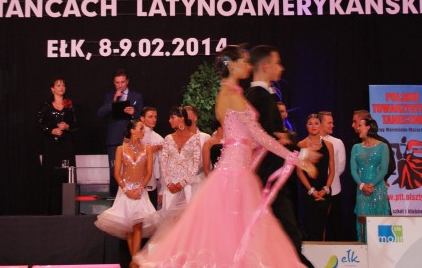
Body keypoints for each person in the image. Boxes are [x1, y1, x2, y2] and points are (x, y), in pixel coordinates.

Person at [133, 45, 318, 267]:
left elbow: (247, 138)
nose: (248, 66)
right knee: (236, 235)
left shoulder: (230, 93)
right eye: (244, 61)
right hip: (234, 175)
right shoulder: (231, 95)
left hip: (236, 171)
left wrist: (273, 145)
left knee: (237, 235)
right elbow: (258, 135)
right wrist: (296, 159)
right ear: (232, 65)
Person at [244, 45, 313, 268]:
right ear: (265, 66)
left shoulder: (256, 96)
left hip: (269, 178)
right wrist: (301, 155)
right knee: (289, 235)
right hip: (269, 179)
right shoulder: (261, 97)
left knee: (280, 236)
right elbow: (267, 139)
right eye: (277, 63)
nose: (281, 68)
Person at [94, 119, 156, 263]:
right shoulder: (120, 149)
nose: (144, 131)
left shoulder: (147, 149)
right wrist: (127, 191)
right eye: (141, 128)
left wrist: (140, 188)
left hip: (140, 191)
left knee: (138, 224)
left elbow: (149, 172)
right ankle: (135, 260)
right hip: (125, 191)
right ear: (132, 131)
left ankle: (134, 261)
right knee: (128, 226)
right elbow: (116, 173)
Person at [97, 69, 144, 195]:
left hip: (131, 139)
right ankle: (114, 201)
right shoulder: (109, 96)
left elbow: (142, 118)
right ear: (114, 83)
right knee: (114, 171)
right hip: (114, 140)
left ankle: (132, 198)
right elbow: (100, 113)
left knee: (132, 170)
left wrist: (134, 113)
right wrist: (113, 102)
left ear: (127, 81)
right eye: (117, 83)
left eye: (122, 82)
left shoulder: (137, 96)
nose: (120, 85)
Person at [38, 77, 77, 214]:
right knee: (51, 176)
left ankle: (68, 209)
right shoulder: (46, 106)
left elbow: (76, 125)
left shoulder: (69, 104)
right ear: (52, 89)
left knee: (66, 175)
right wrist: (51, 130)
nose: (61, 88)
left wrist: (67, 126)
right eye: (58, 85)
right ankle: (50, 210)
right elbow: (40, 125)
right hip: (51, 146)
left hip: (66, 145)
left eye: (63, 85)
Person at [350, 117, 390, 242]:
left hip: (378, 190)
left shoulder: (383, 146)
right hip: (362, 191)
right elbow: (353, 170)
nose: (358, 128)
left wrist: (371, 185)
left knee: (379, 223)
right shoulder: (356, 147)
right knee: (363, 224)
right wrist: (362, 186)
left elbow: (384, 170)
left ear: (368, 127)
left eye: (360, 125)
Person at [296, 114, 334, 242]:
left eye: (316, 123)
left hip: (325, 191)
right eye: (310, 123)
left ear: (320, 125)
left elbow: (332, 170)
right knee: (309, 226)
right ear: (306, 126)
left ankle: (321, 251)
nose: (313, 126)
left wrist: (326, 188)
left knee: (322, 225)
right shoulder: (302, 144)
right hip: (308, 191)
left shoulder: (328, 145)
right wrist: (311, 190)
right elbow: (300, 171)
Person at [318, 110, 346, 241]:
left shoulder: (337, 142)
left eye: (332, 122)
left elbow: (340, 166)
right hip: (315, 189)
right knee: (318, 224)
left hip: (334, 189)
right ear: (321, 123)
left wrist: (328, 181)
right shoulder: (310, 142)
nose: (332, 125)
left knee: (335, 225)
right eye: (329, 123)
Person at [182, 105, 210, 195]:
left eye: (187, 116)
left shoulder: (205, 138)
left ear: (195, 117)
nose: (186, 118)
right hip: (182, 183)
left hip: (201, 181)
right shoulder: (177, 138)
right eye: (183, 116)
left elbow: (208, 164)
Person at [139, 107, 164, 208]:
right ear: (142, 118)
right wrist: (152, 149)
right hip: (134, 182)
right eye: (150, 117)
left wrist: (162, 190)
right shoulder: (134, 136)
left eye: (155, 117)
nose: (154, 119)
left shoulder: (159, 139)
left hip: (151, 182)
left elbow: (162, 166)